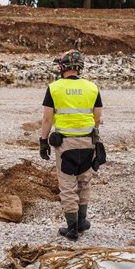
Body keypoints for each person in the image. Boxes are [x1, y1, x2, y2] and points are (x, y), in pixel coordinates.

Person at [39, 49, 103, 241]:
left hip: (66, 144)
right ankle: (82, 221)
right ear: (80, 67)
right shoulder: (92, 88)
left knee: (67, 186)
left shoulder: (54, 88)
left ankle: (72, 228)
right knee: (84, 182)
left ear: (62, 67)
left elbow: (47, 118)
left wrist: (43, 141)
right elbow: (97, 118)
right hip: (88, 142)